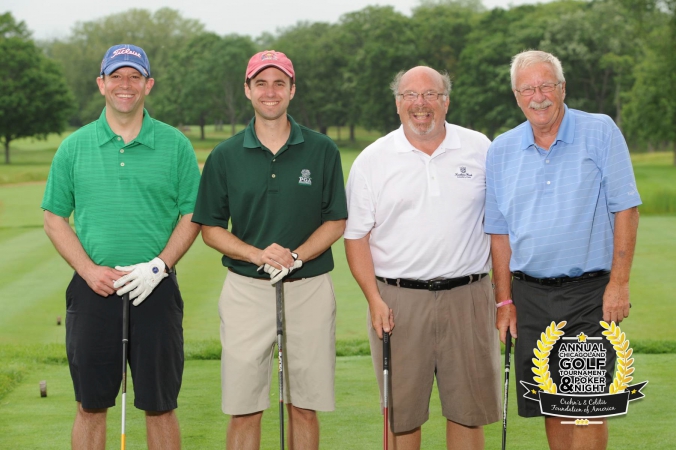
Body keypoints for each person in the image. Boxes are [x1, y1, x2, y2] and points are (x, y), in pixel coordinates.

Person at [41, 44, 201, 450]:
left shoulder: (175, 144)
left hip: (156, 288)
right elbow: (55, 218)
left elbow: (191, 214)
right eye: (116, 76)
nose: (124, 85)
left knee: (161, 405)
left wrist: (159, 266)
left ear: (148, 84)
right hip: (94, 289)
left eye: (134, 77)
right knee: (90, 405)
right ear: (101, 84)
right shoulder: (74, 147)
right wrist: (89, 270)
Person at [191, 50, 347, 450]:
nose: (270, 91)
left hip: (308, 286)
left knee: (305, 405)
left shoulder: (322, 149)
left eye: (280, 83)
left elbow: (335, 221)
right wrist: (257, 254)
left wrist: (296, 257)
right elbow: (210, 228)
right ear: (247, 89)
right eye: (261, 82)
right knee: (244, 407)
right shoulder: (224, 155)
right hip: (247, 289)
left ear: (293, 90)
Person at [485, 50, 641, 450]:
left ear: (562, 88)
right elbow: (498, 234)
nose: (538, 97)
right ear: (516, 96)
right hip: (530, 294)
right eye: (527, 89)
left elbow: (625, 207)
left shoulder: (600, 131)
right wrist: (504, 302)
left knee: (585, 404)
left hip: (589, 293)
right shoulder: (501, 149)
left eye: (546, 86)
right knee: (551, 401)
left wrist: (619, 284)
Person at [344, 66, 501, 450]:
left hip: (468, 296)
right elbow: (356, 236)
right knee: (402, 416)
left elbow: (500, 226)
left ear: (446, 101)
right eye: (410, 95)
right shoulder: (373, 159)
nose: (421, 104)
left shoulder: (480, 147)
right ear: (398, 104)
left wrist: (503, 297)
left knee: (469, 411)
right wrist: (373, 299)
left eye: (431, 94)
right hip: (397, 301)